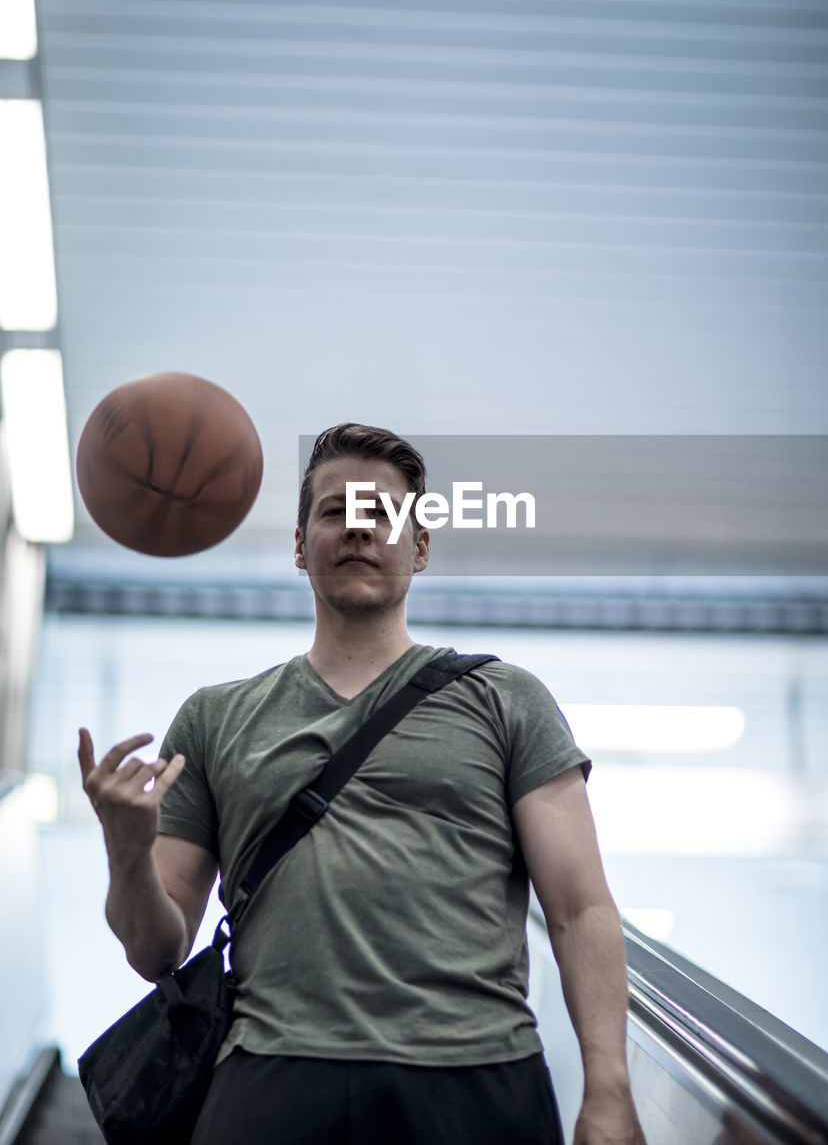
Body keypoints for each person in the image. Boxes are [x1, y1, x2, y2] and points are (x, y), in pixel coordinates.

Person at [79, 423, 647, 1145]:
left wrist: (608, 1087)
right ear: (298, 544)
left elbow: (579, 910)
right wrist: (127, 851)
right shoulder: (214, 718)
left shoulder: (507, 700)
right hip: (271, 1072)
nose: (357, 528)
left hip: (476, 1074)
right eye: (333, 511)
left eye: (382, 515)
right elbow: (152, 953)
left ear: (419, 547)